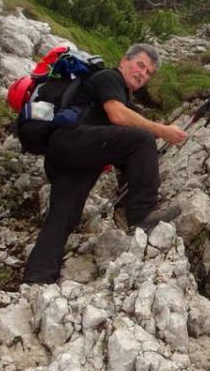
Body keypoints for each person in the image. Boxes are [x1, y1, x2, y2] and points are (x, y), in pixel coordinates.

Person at [22, 43, 187, 284]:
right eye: (140, 65)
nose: (143, 74)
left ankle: (37, 279)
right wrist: (161, 130)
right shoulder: (111, 77)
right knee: (143, 137)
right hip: (71, 141)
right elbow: (117, 116)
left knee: (63, 217)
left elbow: (120, 142)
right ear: (124, 61)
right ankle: (142, 212)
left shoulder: (121, 95)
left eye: (149, 72)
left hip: (71, 156)